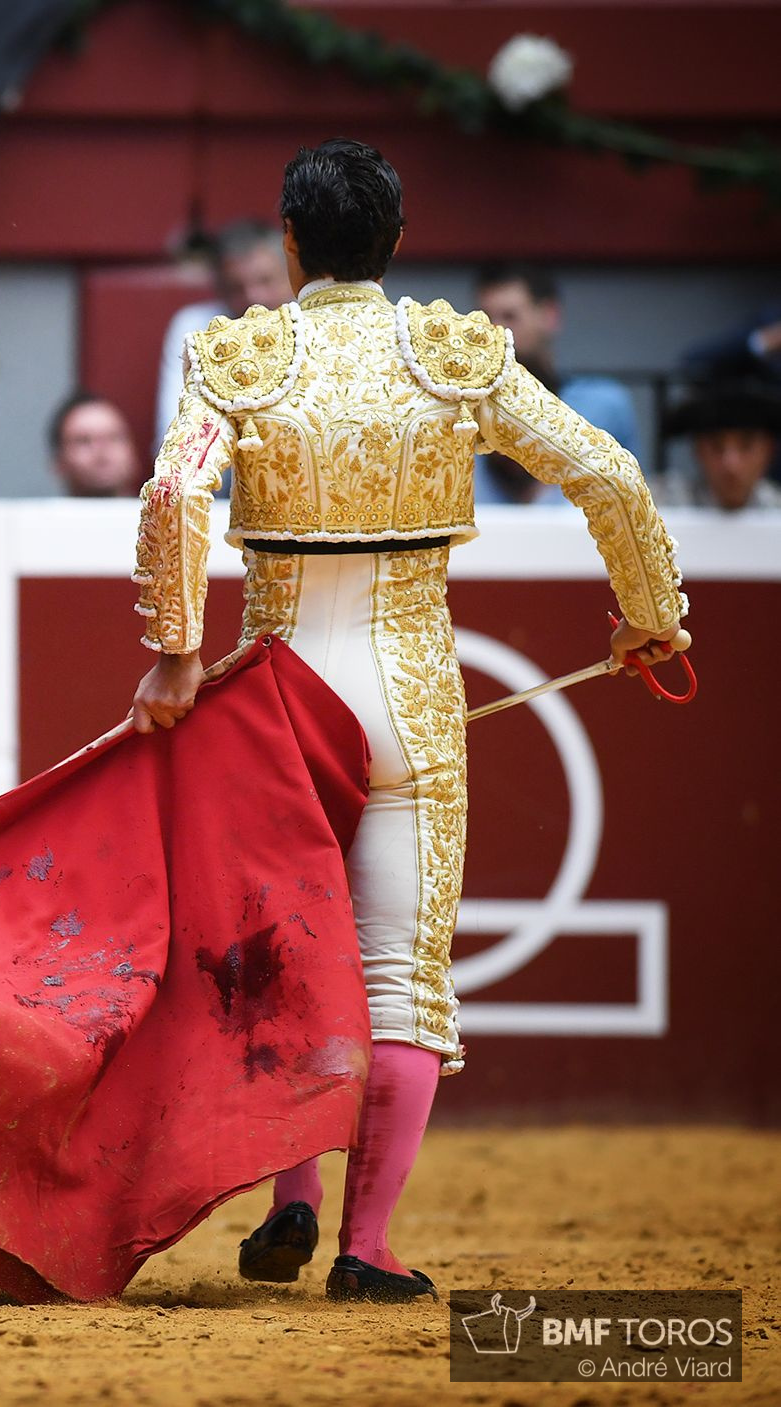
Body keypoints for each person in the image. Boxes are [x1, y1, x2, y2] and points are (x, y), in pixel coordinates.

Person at [132, 139, 688, 1302]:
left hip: (278, 692)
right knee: (397, 979)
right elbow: (609, 475)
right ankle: (364, 1248)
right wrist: (649, 618)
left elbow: (178, 492)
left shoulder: (238, 355)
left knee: (288, 965)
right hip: (407, 694)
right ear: (394, 241)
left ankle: (292, 1199)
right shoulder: (453, 355)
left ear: (286, 242)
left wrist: (175, 655)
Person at [472, 264, 644, 505]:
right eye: (486, 317)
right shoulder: (463, 412)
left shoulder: (603, 406)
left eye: (510, 316)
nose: (495, 331)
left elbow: (631, 502)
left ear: (549, 315)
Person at [155, 220, 295, 447]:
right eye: (236, 287)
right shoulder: (196, 328)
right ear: (220, 288)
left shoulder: (311, 322)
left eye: (265, 280)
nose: (253, 296)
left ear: (291, 276)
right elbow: (174, 430)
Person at [656, 380, 781, 511]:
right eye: (716, 446)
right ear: (698, 449)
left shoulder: (777, 508)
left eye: (746, 446)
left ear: (770, 450)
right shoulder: (655, 506)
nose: (731, 464)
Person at [49, 391, 141, 497]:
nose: (101, 449)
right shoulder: (33, 513)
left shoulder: (161, 513)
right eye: (84, 441)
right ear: (58, 462)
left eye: (113, 437)